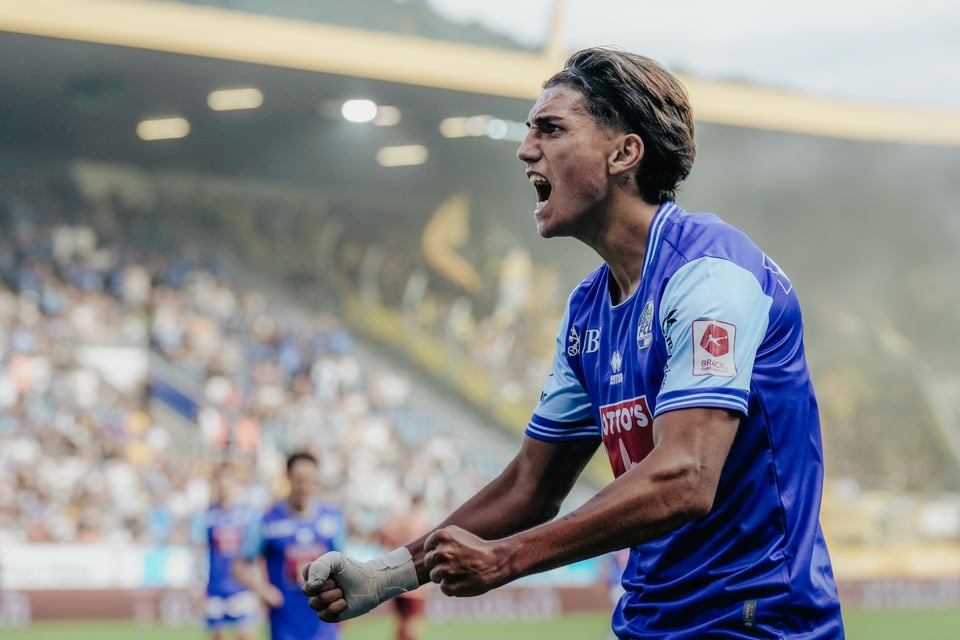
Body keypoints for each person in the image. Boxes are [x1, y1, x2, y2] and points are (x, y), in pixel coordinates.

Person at [302, 47, 845, 638]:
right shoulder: (588, 310)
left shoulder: (711, 273)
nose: (525, 148)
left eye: (551, 128)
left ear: (624, 153)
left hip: (755, 621)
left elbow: (686, 476)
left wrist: (508, 558)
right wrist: (386, 575)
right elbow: (530, 487)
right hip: (651, 620)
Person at [234, 452, 345, 640]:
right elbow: (239, 567)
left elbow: (343, 565)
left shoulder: (332, 519)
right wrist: (264, 590)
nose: (304, 486)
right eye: (298, 480)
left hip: (323, 622)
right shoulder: (268, 521)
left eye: (309, 480)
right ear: (288, 478)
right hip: (285, 622)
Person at [196, 465, 259, 640]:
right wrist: (198, 585)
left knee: (245, 634)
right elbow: (201, 550)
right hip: (216, 587)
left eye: (229, 479)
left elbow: (255, 553)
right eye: (220, 480)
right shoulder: (208, 515)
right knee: (217, 635)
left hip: (242, 586)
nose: (225, 485)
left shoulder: (248, 515)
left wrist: (257, 582)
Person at [379, 494, 433, 640]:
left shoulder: (395, 523)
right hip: (415, 580)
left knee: (401, 621)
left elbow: (384, 540)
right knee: (413, 622)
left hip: (395, 578)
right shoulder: (421, 523)